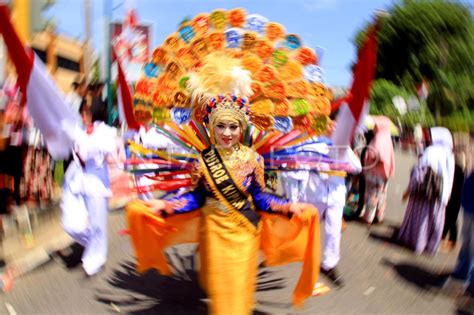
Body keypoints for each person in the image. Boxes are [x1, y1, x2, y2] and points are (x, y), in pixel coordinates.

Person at [126, 53, 320, 314]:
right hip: (214, 233)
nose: (227, 133)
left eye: (232, 127)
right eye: (221, 127)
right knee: (221, 295)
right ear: (212, 128)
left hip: (245, 232)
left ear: (241, 128)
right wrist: (167, 205)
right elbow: (195, 198)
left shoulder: (253, 160)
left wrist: (286, 208)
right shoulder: (203, 161)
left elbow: (261, 197)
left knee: (238, 293)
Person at [280, 138, 361, 288]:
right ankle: (300, 255)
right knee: (308, 229)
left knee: (334, 231)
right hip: (314, 194)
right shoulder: (308, 144)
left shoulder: (340, 146)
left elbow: (357, 167)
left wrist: (341, 162)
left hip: (335, 194)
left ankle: (328, 265)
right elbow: (291, 172)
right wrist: (292, 199)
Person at [60, 101, 118, 276]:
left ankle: (96, 257)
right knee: (70, 225)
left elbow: (106, 147)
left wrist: (79, 137)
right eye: (83, 112)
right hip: (76, 180)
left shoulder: (107, 132)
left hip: (96, 182)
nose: (84, 115)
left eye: (87, 111)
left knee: (98, 225)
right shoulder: (78, 130)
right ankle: (92, 242)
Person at [397, 127, 455, 255]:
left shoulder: (431, 151)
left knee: (421, 217)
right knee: (435, 219)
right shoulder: (449, 154)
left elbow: (419, 172)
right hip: (440, 193)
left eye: (431, 136)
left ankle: (417, 243)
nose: (428, 138)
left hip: (424, 191)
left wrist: (409, 189)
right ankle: (431, 245)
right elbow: (450, 177)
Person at [360, 116, 395, 224]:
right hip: (383, 172)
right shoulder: (386, 137)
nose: (374, 127)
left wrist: (371, 158)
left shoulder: (379, 138)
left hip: (374, 171)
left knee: (372, 194)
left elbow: (378, 155)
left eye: (376, 125)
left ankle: (369, 217)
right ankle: (379, 216)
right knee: (381, 194)